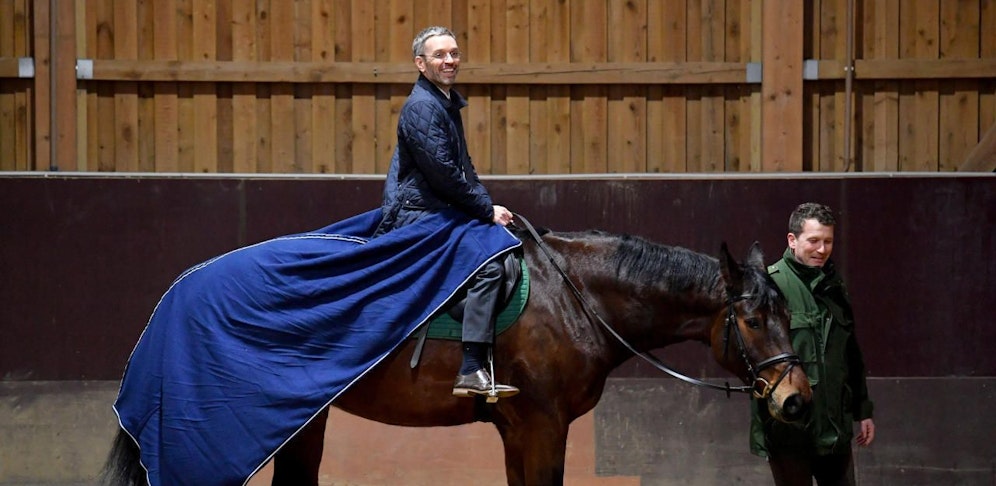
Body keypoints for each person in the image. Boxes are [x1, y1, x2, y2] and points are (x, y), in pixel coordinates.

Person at [372, 26, 518, 399]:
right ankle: (470, 368)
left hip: (440, 208)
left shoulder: (446, 103)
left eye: (454, 53)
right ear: (421, 64)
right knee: (488, 267)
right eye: (439, 55)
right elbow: (444, 175)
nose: (449, 60)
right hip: (419, 215)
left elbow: (464, 168)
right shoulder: (423, 107)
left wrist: (487, 205)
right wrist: (485, 209)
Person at [750, 202, 876, 485]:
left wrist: (863, 412)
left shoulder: (834, 286)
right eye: (814, 241)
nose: (822, 249)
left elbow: (850, 355)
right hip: (790, 431)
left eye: (828, 241)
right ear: (792, 240)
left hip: (835, 429)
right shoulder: (769, 286)